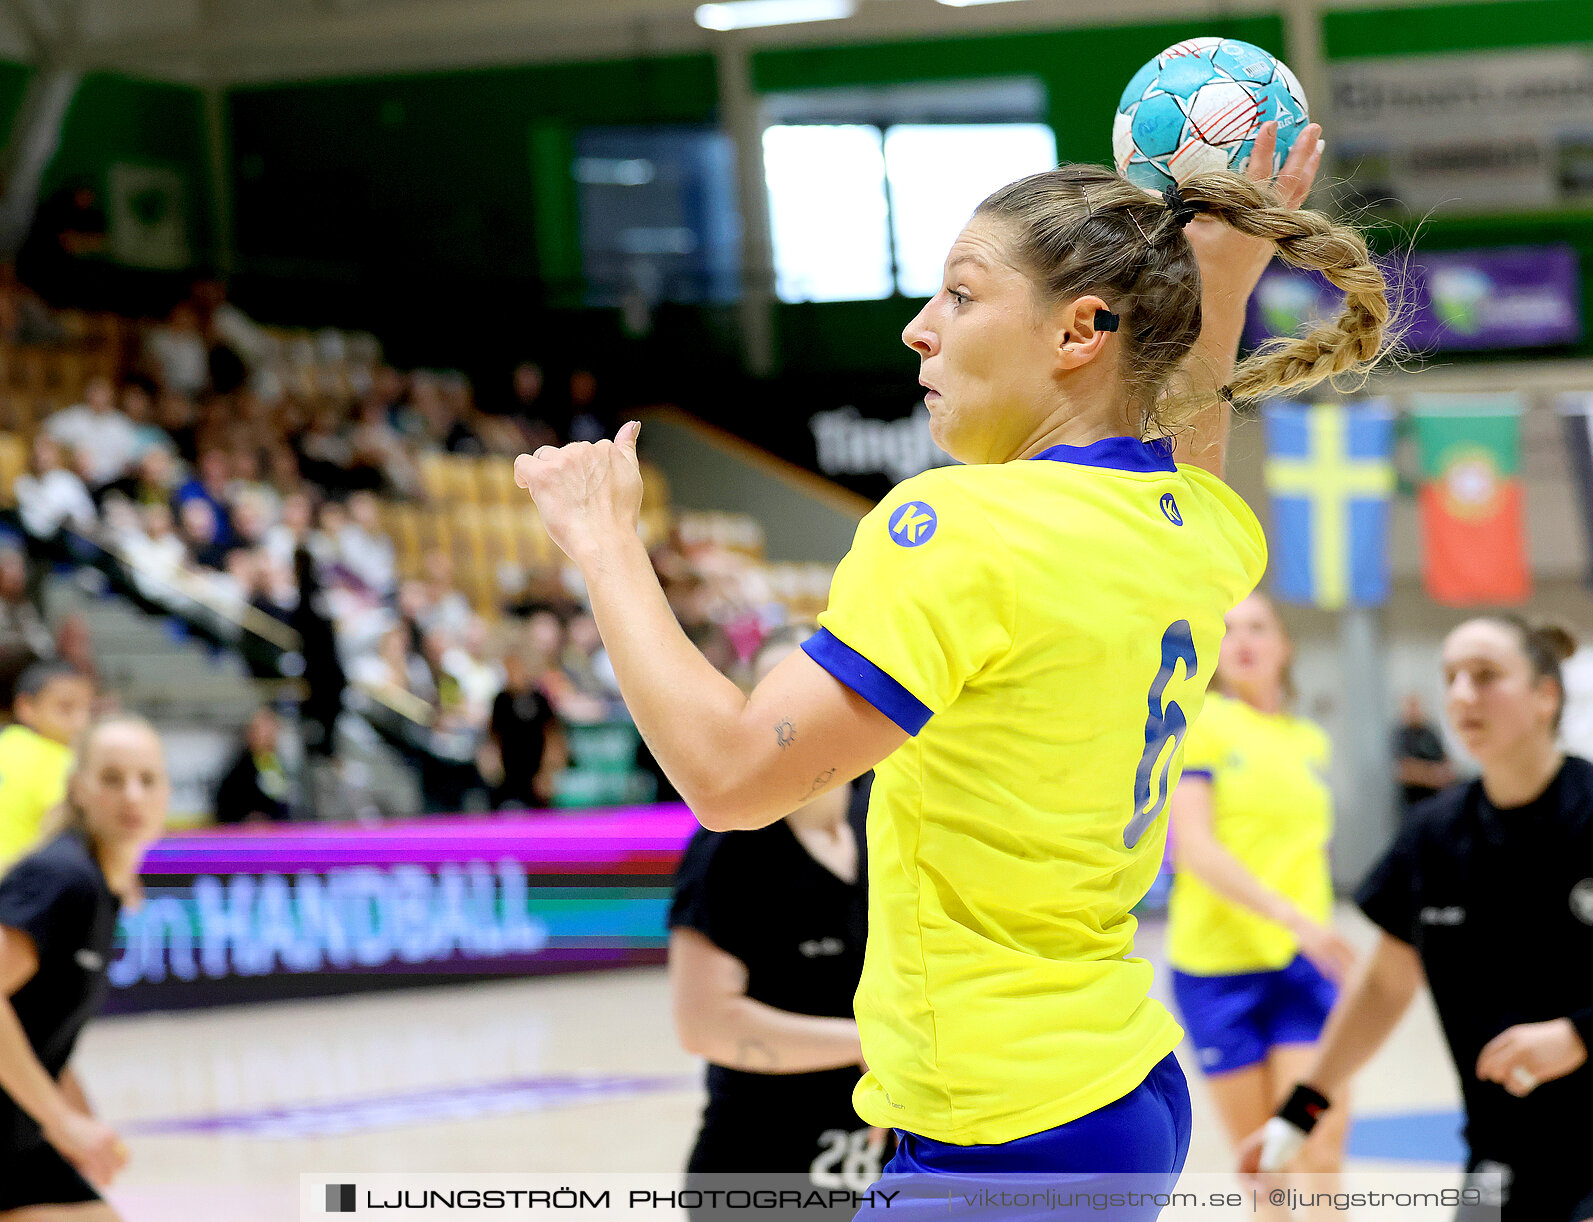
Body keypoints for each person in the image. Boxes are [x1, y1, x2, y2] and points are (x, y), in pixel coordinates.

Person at [516, 120, 1387, 1201]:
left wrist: (604, 544)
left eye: (962, 295)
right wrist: (1222, 271)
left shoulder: (962, 526)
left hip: (1004, 1126)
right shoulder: (1202, 526)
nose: (919, 329)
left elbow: (732, 776)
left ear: (1079, 331)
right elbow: (1185, 420)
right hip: (1113, 1089)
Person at [1247, 617, 1593, 1222]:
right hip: (1505, 1155)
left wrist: (1581, 1035)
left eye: (1485, 676)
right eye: (1451, 677)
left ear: (1545, 695)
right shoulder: (1432, 839)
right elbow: (1383, 986)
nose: (1461, 695)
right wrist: (1303, 1107)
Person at [669, 628, 890, 1206]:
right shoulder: (730, 847)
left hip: (876, 1159)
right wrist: (863, 1042)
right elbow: (704, 1024)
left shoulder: (886, 814)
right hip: (761, 1167)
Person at [1165, 591, 1356, 1172]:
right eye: (1227, 630)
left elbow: (1309, 851)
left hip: (1303, 968)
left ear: (1284, 645)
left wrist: (1313, 925)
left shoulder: (1309, 741)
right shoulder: (1200, 727)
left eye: (1256, 628)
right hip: (1218, 971)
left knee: (1319, 1151)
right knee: (1263, 1169)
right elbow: (1193, 847)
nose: (1242, 641)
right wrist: (1294, 918)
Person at [0, 714, 171, 1218]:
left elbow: (39, 1029)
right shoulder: (62, 878)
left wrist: (79, 1121)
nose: (133, 796)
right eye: (112, 779)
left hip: (18, 1140)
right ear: (79, 789)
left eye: (148, 780)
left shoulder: (100, 887)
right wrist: (60, 1120)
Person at [0, 663, 96, 872]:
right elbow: (60, 835)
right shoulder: (63, 761)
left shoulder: (5, 741)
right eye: (66, 708)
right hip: (18, 886)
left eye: (88, 709)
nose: (81, 721)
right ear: (26, 706)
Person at [485, 652, 565, 809]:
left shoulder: (539, 698)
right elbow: (492, 736)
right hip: (507, 776)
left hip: (536, 774)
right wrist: (493, 765)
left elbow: (552, 736)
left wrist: (549, 772)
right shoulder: (501, 700)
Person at [212, 706, 292, 825]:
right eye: (262, 730)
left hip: (279, 832)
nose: (268, 735)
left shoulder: (277, 762)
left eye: (271, 730)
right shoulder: (240, 768)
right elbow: (226, 803)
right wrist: (248, 818)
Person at [1394, 691, 1455, 808]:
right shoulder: (1402, 735)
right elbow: (1404, 769)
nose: (1414, 710)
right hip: (1414, 802)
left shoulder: (1429, 732)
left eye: (1416, 706)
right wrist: (1434, 775)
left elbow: (1445, 759)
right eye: (1410, 707)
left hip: (1437, 799)